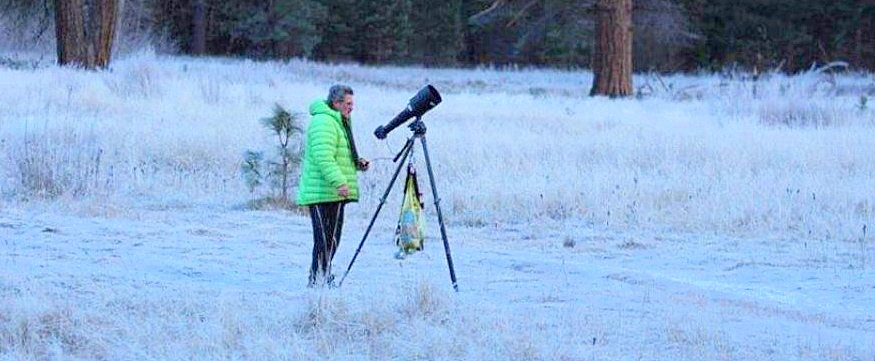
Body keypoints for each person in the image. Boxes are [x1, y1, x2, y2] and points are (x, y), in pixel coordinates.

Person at [296, 85, 370, 287]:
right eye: (348, 104)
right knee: (323, 241)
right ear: (336, 103)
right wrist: (339, 181)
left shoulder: (339, 122)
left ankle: (322, 276)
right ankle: (316, 281)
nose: (351, 108)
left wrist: (357, 162)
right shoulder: (324, 122)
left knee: (332, 240)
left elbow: (339, 155)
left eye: (352, 104)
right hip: (322, 192)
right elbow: (323, 157)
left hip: (333, 193)